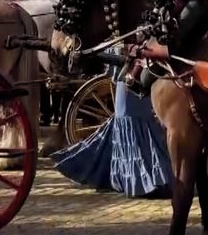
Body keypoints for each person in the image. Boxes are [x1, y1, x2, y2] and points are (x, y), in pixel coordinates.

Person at [51, 59, 173, 198]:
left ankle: (143, 179)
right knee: (125, 118)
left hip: (139, 69)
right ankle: (135, 179)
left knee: (133, 117)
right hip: (130, 69)